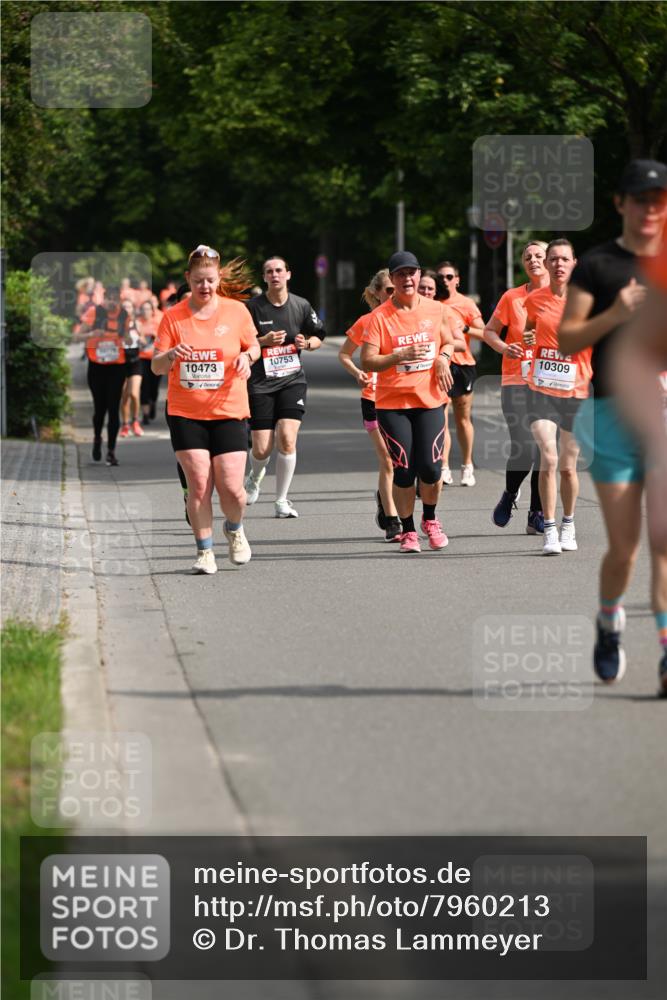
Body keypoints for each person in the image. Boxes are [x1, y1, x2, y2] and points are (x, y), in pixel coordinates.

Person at [559, 158, 667, 688]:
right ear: (621, 203)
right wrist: (616, 314)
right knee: (625, 548)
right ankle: (609, 622)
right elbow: (568, 339)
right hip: (612, 415)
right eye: (640, 199)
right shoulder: (598, 266)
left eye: (659, 200)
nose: (650, 209)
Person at [152, 245, 260, 574]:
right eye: (198, 280)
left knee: (232, 489)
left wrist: (247, 357)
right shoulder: (173, 317)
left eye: (210, 280)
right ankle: (204, 551)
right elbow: (156, 366)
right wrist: (171, 355)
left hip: (229, 410)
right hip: (186, 412)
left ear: (219, 278)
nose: (205, 286)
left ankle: (234, 528)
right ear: (188, 279)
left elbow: (254, 345)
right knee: (199, 483)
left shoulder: (236, 312)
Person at [360, 251, 456, 554]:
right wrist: (398, 356)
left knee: (431, 468)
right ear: (392, 279)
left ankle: (430, 519)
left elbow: (449, 341)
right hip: (393, 404)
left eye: (411, 273)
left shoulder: (435, 309)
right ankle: (409, 531)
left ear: (419, 275)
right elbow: (367, 360)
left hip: (430, 400)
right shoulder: (380, 317)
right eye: (400, 274)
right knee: (403, 470)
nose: (407, 279)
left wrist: (442, 358)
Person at [523, 238, 591, 555]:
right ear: (546, 264)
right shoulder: (535, 299)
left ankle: (568, 523)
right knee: (548, 458)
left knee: (567, 467)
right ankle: (549, 528)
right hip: (542, 389)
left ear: (574, 263)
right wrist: (528, 341)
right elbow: (529, 329)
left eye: (564, 259)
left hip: (576, 390)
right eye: (553, 259)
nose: (558, 264)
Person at [244, 256, 325, 518]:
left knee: (288, 439)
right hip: (260, 384)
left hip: (292, 380)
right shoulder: (252, 308)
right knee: (261, 449)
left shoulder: (301, 305)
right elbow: (240, 343)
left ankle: (281, 500)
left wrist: (307, 344)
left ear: (288, 274)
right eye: (269, 271)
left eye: (279, 270)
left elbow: (318, 336)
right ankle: (255, 476)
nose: (274, 275)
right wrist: (263, 341)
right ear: (264, 277)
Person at [483, 241, 549, 532]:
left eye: (539, 256)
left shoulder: (564, 298)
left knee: (544, 450)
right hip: (516, 382)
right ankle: (510, 493)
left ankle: (536, 513)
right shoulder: (512, 297)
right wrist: (504, 347)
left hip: (549, 383)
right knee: (524, 447)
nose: (533, 260)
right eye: (528, 257)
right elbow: (489, 331)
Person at [338, 268, 401, 541]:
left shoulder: (407, 319)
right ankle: (393, 520)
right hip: (373, 398)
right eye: (388, 289)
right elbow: (344, 354)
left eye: (396, 288)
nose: (394, 293)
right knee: (387, 459)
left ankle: (386, 499)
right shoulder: (367, 321)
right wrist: (357, 373)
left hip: (402, 398)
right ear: (376, 293)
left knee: (404, 463)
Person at [436, 261, 484, 486]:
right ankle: (444, 466)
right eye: (441, 277)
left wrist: (464, 328)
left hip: (463, 365)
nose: (444, 281)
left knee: (463, 419)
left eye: (449, 277)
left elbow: (485, 332)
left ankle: (467, 465)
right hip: (440, 365)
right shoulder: (432, 303)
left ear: (457, 280)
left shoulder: (466, 304)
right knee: (441, 419)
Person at [78, 286, 131, 467]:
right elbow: (78, 336)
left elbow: (128, 337)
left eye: (116, 300)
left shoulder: (124, 314)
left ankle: (111, 451)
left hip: (117, 366)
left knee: (113, 408)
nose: (112, 303)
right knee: (100, 409)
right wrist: (92, 334)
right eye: (110, 299)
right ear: (104, 298)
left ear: (119, 300)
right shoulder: (95, 312)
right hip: (97, 366)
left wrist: (128, 339)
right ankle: (97, 438)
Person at [119, 299, 145, 438]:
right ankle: (125, 424)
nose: (126, 309)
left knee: (134, 394)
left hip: (135, 362)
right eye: (124, 307)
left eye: (129, 306)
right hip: (121, 362)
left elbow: (144, 341)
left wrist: (141, 340)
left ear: (133, 309)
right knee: (124, 396)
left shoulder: (137, 324)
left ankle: (135, 422)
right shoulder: (116, 325)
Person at [137, 300, 163, 425]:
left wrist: (155, 337)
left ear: (152, 311)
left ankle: (152, 402)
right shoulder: (137, 323)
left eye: (148, 309)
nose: (145, 311)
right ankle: (145, 414)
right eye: (143, 309)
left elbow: (164, 338)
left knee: (154, 387)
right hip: (141, 358)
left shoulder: (158, 322)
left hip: (156, 358)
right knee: (144, 386)